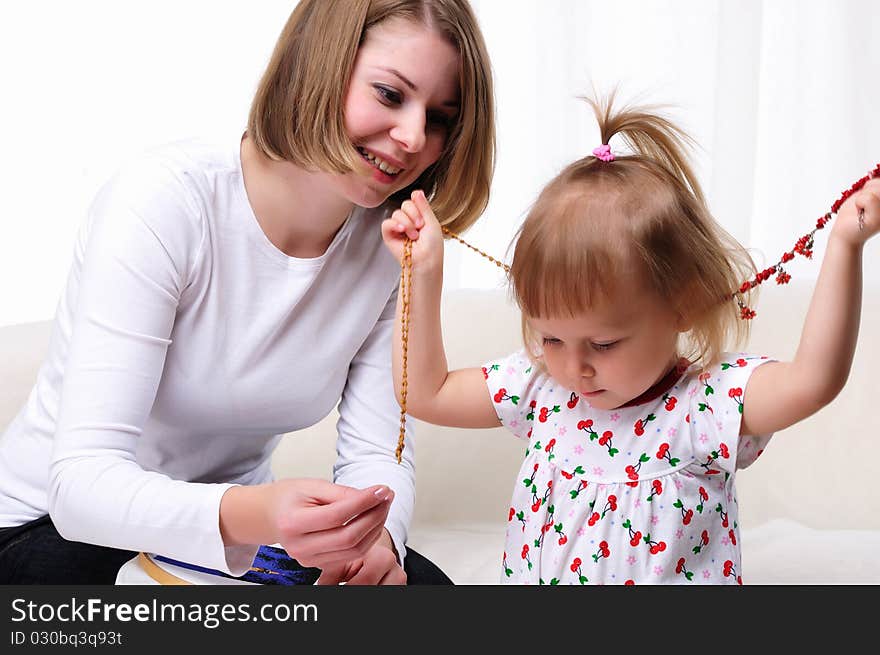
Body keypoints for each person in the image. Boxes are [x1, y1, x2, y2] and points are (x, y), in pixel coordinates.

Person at [0, 0, 495, 585]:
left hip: (231, 535)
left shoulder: (391, 244)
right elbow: (81, 487)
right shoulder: (163, 203)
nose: (413, 137)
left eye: (440, 118)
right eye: (389, 94)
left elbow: (377, 451)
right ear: (319, 67)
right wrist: (259, 513)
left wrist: (377, 540)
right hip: (54, 529)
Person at [381, 93, 879, 584]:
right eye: (551, 337)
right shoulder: (540, 390)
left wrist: (845, 242)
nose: (573, 367)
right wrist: (421, 274)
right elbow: (424, 392)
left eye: (603, 344)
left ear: (683, 305)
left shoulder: (703, 406)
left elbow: (814, 381)